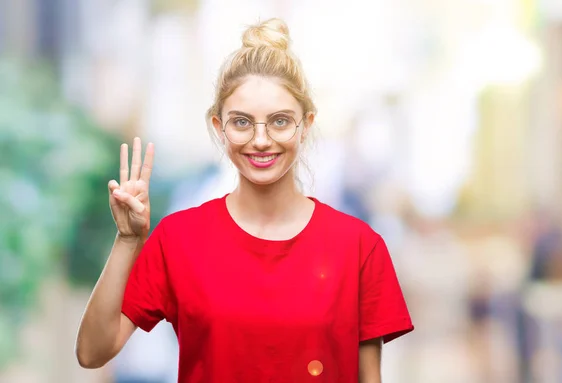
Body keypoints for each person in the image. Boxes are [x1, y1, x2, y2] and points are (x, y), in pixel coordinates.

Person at [75, 18, 414, 383]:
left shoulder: (358, 247)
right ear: (220, 128)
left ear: (307, 124)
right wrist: (128, 240)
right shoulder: (180, 238)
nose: (261, 140)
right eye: (242, 122)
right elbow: (92, 352)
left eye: (280, 121)